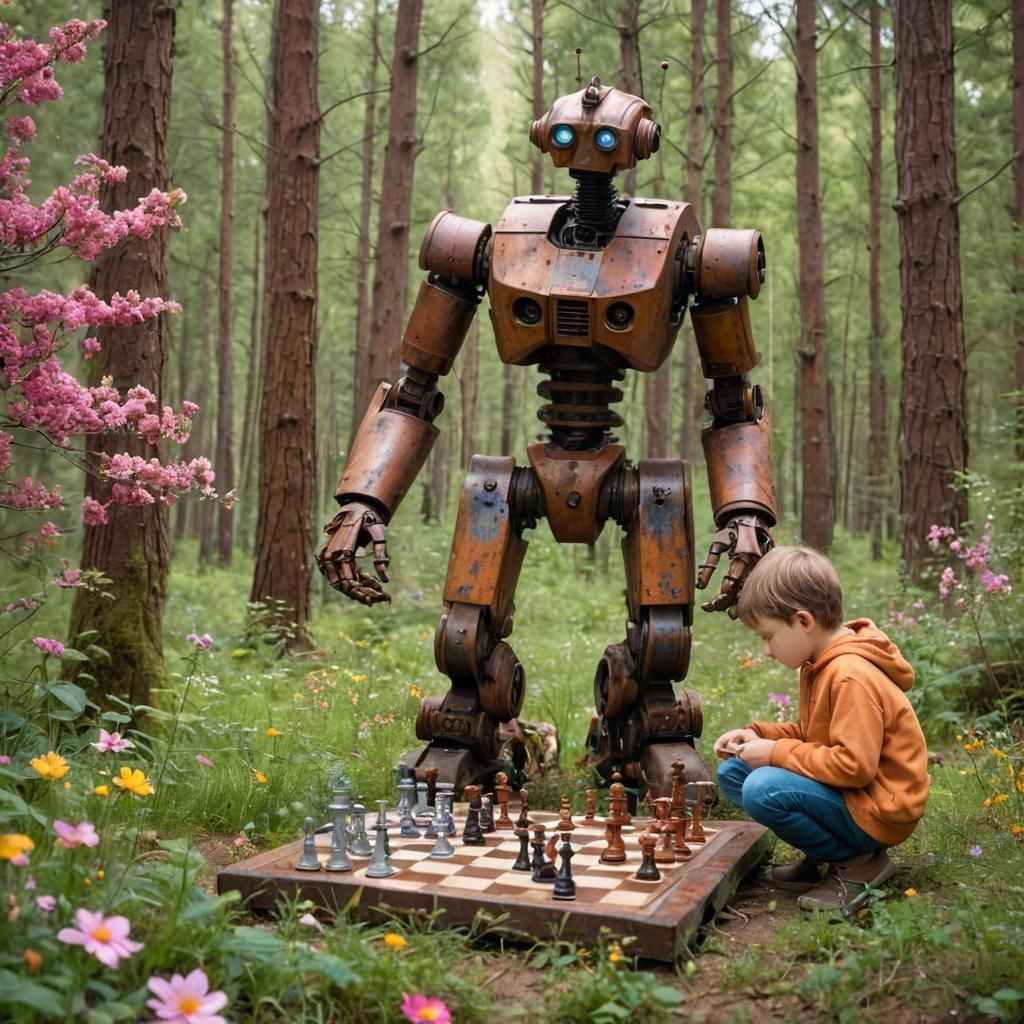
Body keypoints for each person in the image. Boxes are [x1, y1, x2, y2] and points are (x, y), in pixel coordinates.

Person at [713, 545, 929, 914]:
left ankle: (860, 863)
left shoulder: (849, 675)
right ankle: (824, 854)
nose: (765, 651)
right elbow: (814, 733)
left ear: (803, 621)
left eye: (768, 636)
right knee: (735, 771)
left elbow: (853, 766)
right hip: (856, 796)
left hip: (879, 809)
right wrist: (759, 735)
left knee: (762, 787)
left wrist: (775, 754)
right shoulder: (819, 663)